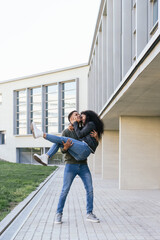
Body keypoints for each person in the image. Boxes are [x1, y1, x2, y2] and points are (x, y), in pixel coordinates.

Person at [31, 110, 104, 164]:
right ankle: (46, 157)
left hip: (83, 155)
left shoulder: (86, 126)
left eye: (81, 115)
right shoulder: (68, 131)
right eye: (77, 115)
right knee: (59, 142)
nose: (79, 116)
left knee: (61, 139)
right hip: (76, 158)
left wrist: (97, 139)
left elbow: (82, 136)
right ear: (71, 118)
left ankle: (41, 134)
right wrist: (66, 147)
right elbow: (63, 150)